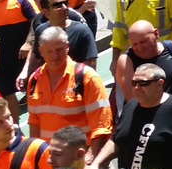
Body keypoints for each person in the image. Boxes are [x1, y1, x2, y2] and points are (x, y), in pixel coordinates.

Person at [25, 27, 111, 157]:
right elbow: (34, 121)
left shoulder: (87, 77)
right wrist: (35, 155)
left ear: (67, 47)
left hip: (80, 156)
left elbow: (101, 123)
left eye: (59, 49)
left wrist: (91, 155)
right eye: (49, 51)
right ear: (41, 51)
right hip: (49, 157)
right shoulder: (34, 80)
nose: (55, 55)